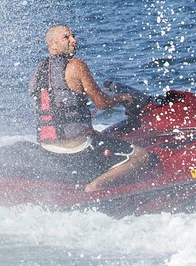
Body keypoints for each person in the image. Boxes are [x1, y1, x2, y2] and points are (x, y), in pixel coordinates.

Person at [28, 23, 150, 195]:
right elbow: (102, 103)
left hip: (48, 146)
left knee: (102, 137)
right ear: (53, 44)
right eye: (67, 37)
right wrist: (122, 97)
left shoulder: (37, 71)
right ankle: (96, 186)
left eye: (73, 36)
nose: (74, 40)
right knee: (142, 156)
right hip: (76, 148)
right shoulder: (76, 65)